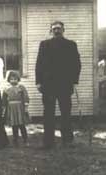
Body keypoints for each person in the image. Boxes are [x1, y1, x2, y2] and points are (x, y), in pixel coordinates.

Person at [35, 21, 81, 149]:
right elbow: (39, 64)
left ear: (63, 30)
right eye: (54, 28)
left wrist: (74, 81)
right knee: (48, 113)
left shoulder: (71, 45)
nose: (56, 30)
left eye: (59, 28)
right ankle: (48, 141)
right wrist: (38, 81)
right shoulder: (44, 45)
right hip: (48, 85)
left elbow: (76, 64)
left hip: (65, 85)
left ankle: (67, 139)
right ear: (51, 31)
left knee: (66, 112)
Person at [2, 70, 30, 147]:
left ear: (18, 79)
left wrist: (26, 106)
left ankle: (25, 139)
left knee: (21, 125)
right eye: (11, 79)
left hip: (20, 108)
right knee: (14, 125)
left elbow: (25, 97)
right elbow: (4, 99)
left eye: (15, 79)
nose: (13, 81)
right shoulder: (6, 88)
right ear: (9, 80)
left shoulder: (21, 87)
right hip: (11, 108)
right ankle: (15, 140)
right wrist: (3, 108)